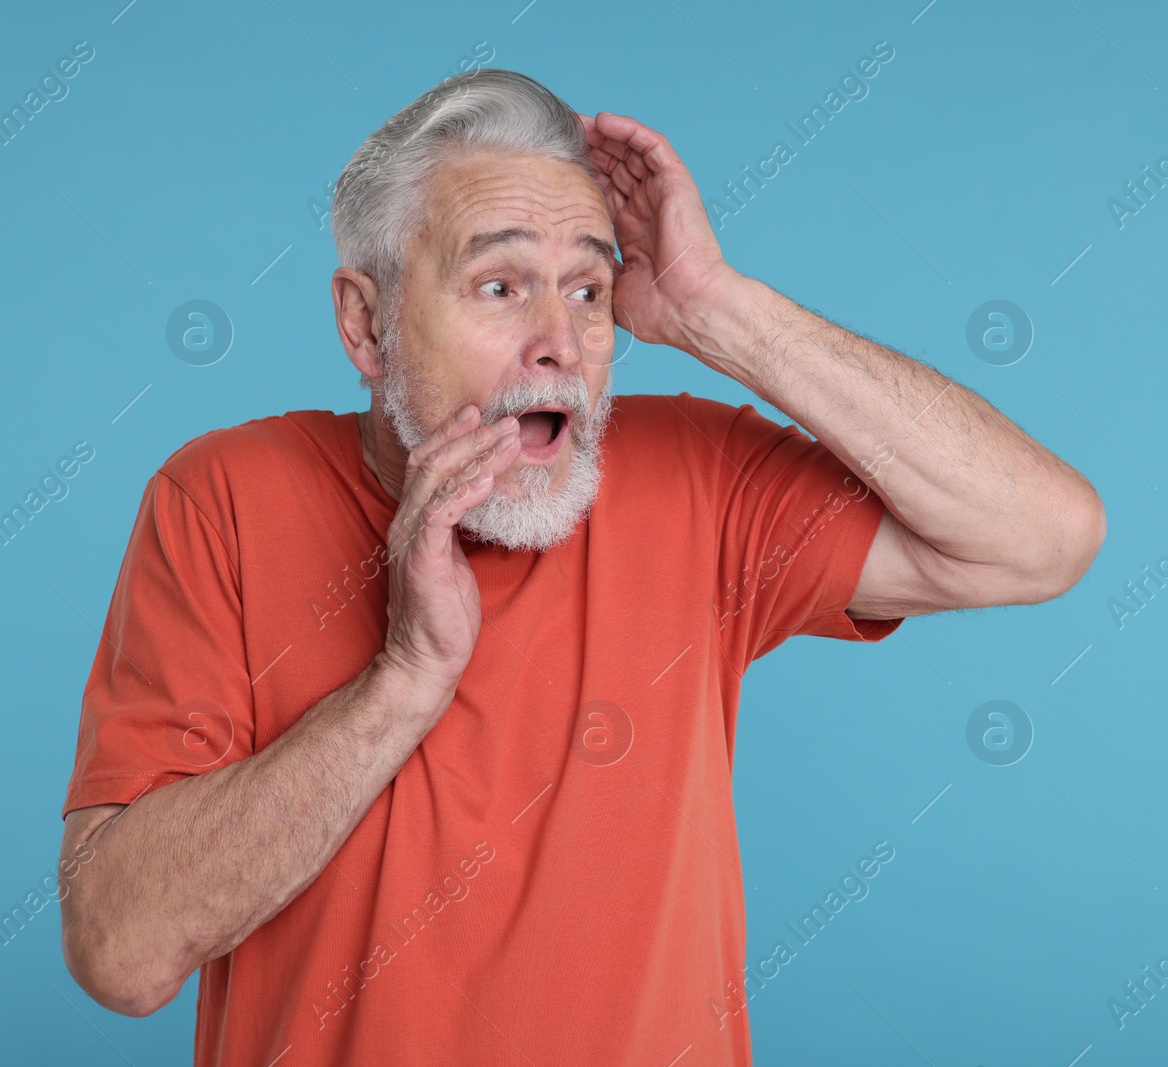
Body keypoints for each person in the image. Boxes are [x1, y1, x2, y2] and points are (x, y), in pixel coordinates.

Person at [57, 69, 1105, 1065]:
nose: (558, 339)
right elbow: (122, 952)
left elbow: (1043, 536)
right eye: (501, 284)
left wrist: (713, 309)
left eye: (589, 291)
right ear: (365, 322)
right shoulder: (223, 497)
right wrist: (404, 679)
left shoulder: (691, 474)